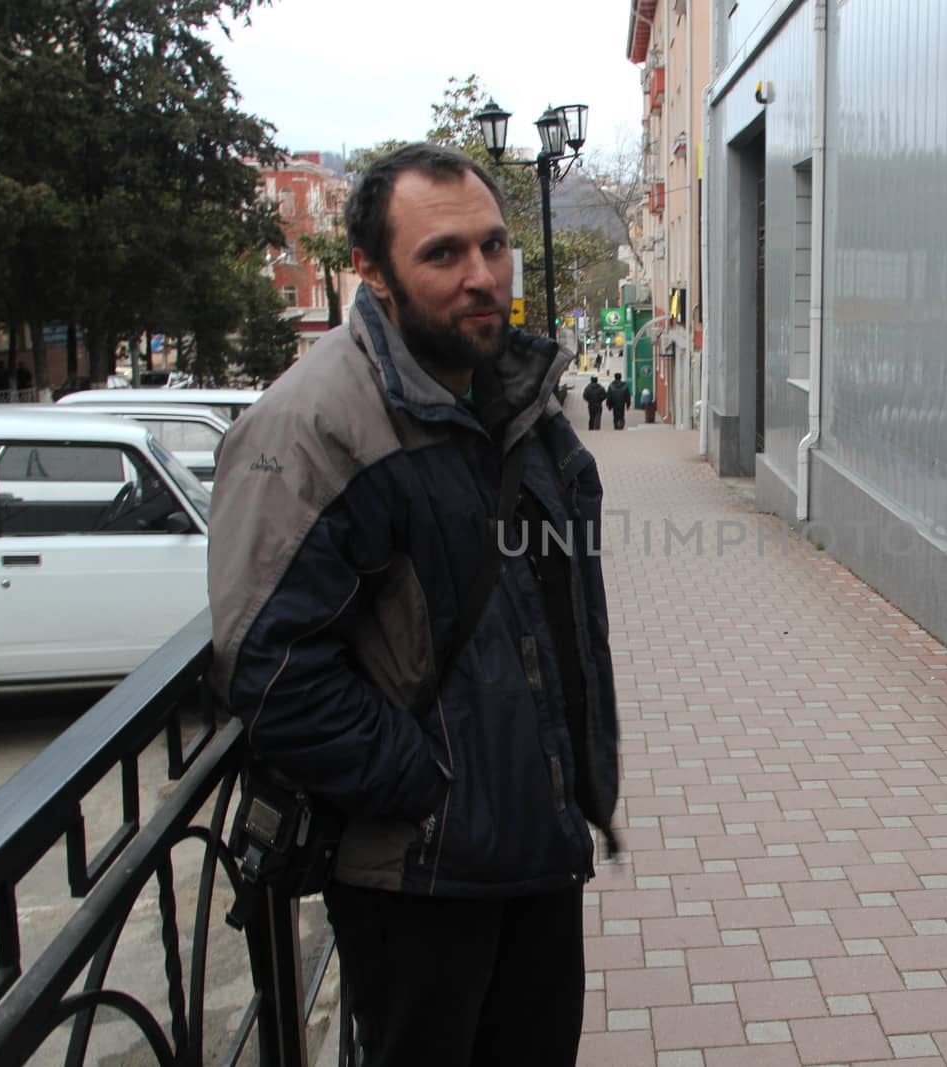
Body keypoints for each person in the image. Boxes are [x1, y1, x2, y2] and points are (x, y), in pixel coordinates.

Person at [207, 143, 620, 1066]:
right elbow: (267, 666)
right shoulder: (308, 427)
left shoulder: (516, 394)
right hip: (420, 878)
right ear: (374, 272)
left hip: (536, 848)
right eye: (442, 254)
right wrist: (430, 790)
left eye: (494, 245)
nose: (482, 276)